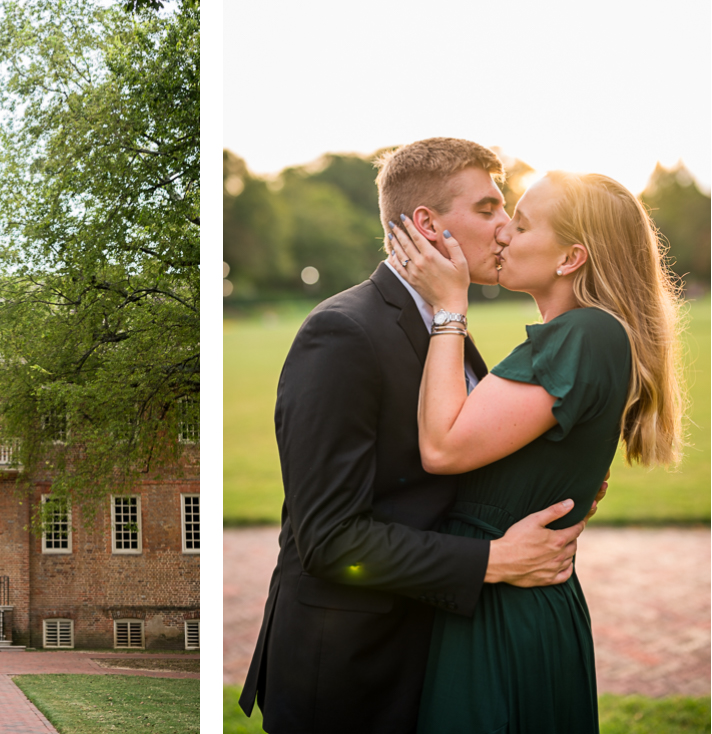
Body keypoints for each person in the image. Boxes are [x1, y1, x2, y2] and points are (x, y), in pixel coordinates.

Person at [239, 138, 608, 733]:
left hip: (429, 655)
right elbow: (331, 541)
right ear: (427, 224)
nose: (505, 226)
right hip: (351, 672)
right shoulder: (341, 333)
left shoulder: (447, 324)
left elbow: (458, 469)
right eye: (488, 209)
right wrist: (493, 561)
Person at [387, 171, 681, 732]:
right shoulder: (588, 335)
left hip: (507, 609)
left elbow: (443, 447)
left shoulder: (584, 334)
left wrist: (450, 306)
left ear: (570, 258)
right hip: (506, 592)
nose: (502, 235)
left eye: (520, 225)